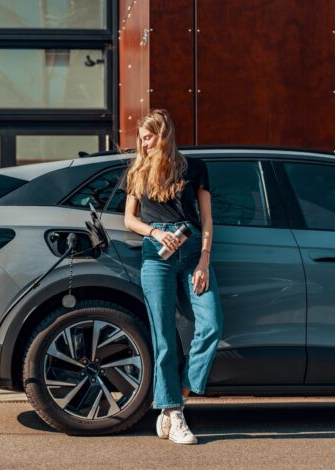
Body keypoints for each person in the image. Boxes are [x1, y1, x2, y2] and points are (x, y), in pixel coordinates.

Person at [123, 109, 223, 445]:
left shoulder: (193, 168)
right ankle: (173, 412)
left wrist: (204, 262)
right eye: (141, 138)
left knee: (211, 325)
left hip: (193, 251)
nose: (143, 143)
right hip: (157, 256)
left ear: (163, 134)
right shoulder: (138, 169)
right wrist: (153, 232)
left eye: (148, 137)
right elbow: (129, 220)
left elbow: (207, 219)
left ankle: (177, 395)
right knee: (164, 335)